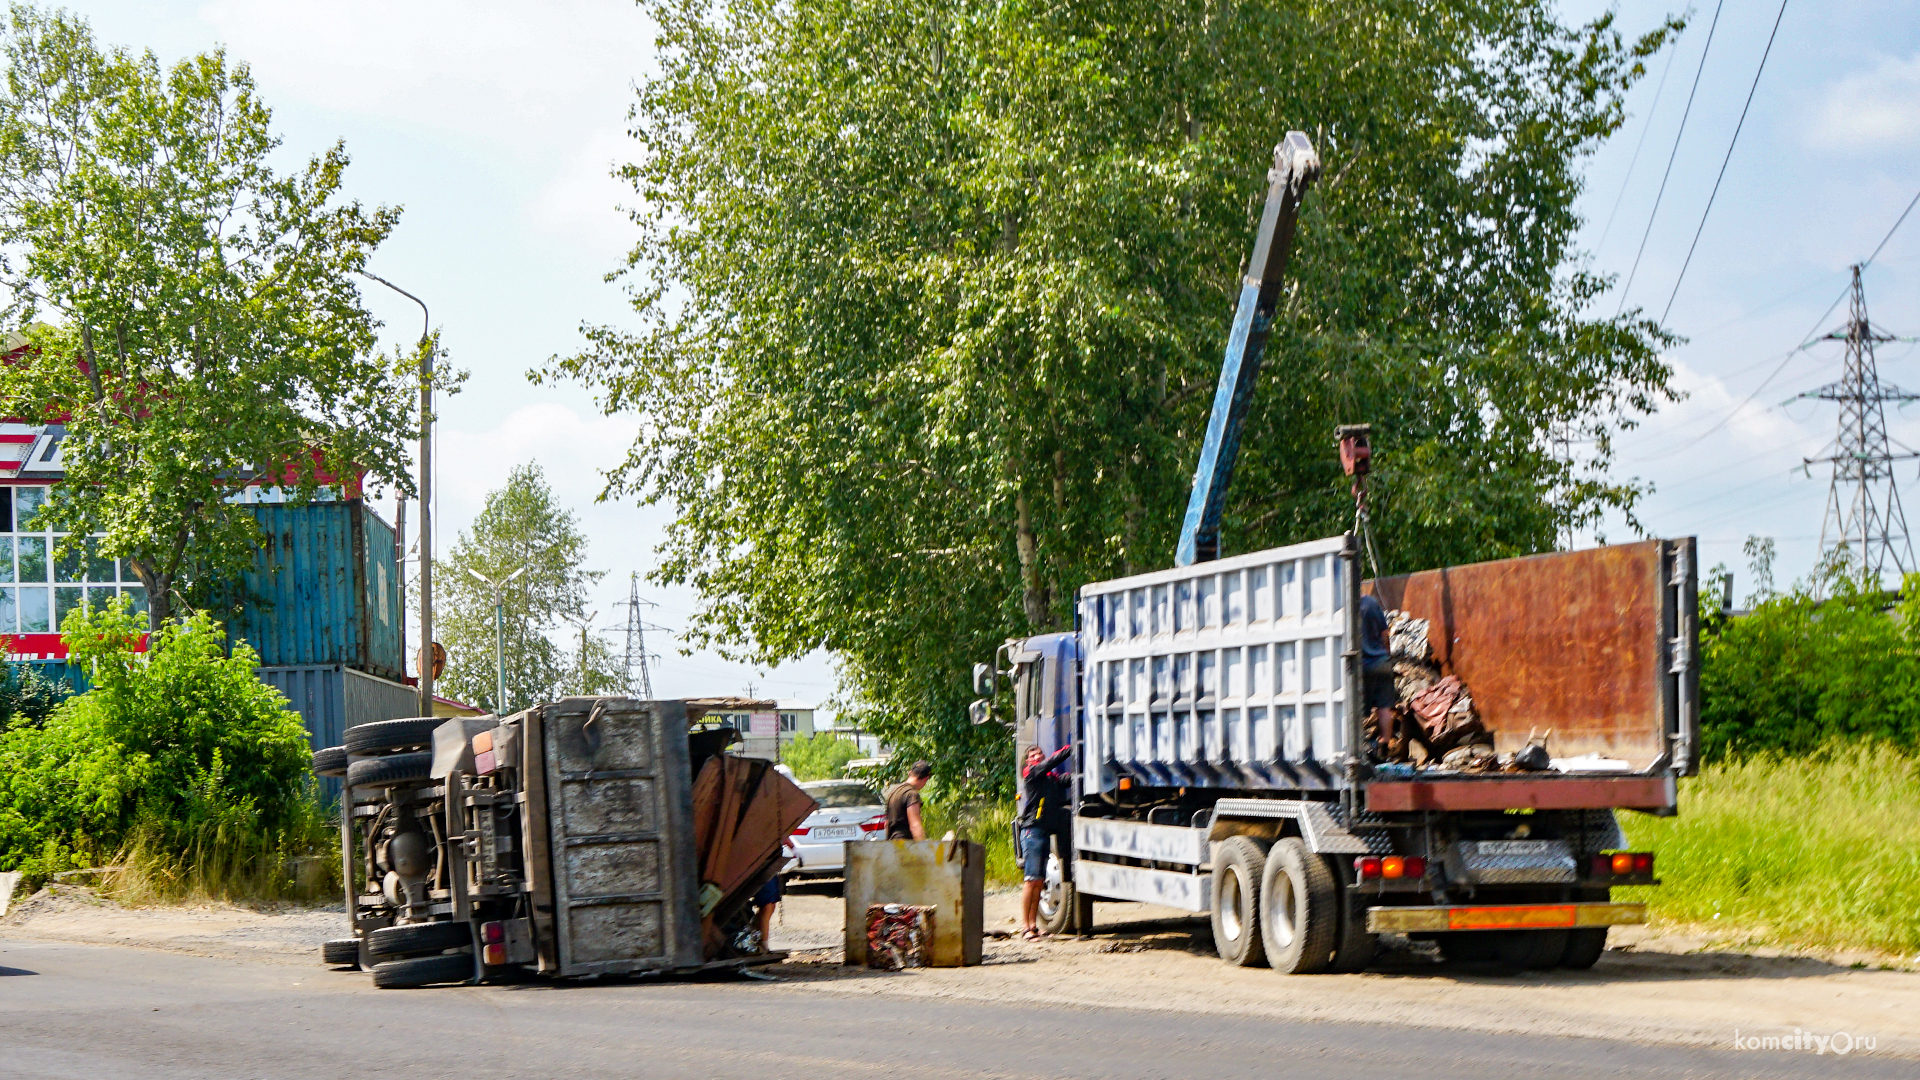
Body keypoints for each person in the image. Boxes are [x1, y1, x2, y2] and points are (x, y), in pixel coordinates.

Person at [1017, 741, 1073, 940]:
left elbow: (1066, 780)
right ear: (1027, 761)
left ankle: (1034, 925)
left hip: (1044, 832)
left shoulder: (1050, 778)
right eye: (1033, 755)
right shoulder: (1030, 773)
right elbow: (1050, 763)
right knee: (1031, 880)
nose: (1037, 757)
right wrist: (1069, 748)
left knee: (1039, 881)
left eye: (1040, 753)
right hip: (1032, 831)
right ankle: (1025, 927)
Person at [1359, 592, 1401, 759]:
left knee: (1358, 710)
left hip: (1361, 666)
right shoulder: (1371, 602)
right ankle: (1384, 748)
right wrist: (1387, 656)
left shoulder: (1345, 606)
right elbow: (1385, 634)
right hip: (1381, 661)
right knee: (1384, 708)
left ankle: (1361, 749)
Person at [884, 760, 932, 840]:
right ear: (926, 779)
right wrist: (922, 847)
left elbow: (886, 824)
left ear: (910, 773)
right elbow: (914, 825)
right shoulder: (911, 794)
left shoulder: (893, 791)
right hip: (906, 845)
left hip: (892, 843)